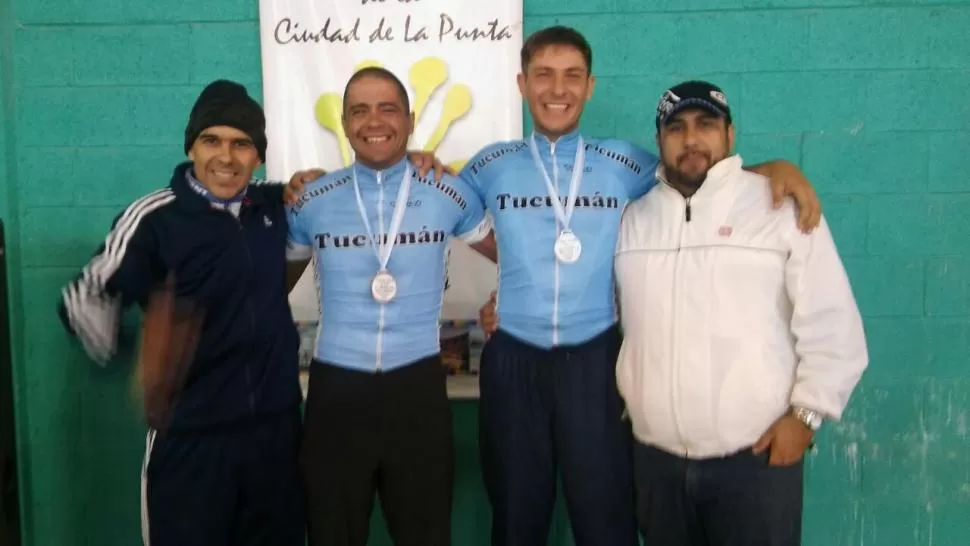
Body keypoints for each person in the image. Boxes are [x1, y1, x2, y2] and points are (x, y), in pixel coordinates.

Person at [462, 26, 822, 546]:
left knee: (605, 516)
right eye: (543, 75)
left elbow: (703, 175)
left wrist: (776, 168)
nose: (556, 89)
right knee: (516, 518)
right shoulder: (488, 165)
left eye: (572, 77)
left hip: (595, 358)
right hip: (513, 357)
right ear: (522, 83)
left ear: (590, 86)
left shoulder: (624, 162)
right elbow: (438, 200)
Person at [56, 79, 446, 546]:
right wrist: (133, 352)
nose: (226, 157)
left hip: (275, 435)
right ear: (191, 147)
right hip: (192, 438)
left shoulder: (274, 203)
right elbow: (81, 300)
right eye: (212, 141)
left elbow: (324, 188)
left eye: (241, 144)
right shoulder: (154, 218)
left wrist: (421, 161)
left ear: (257, 154)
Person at [613, 80, 868, 545]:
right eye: (677, 128)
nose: (691, 139)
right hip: (656, 466)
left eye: (706, 125)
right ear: (659, 141)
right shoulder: (633, 219)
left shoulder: (778, 208)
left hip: (755, 465)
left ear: (730, 135)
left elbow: (833, 323)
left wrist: (806, 417)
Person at [285, 67, 497, 546]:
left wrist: (510, 302)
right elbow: (268, 286)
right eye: (359, 110)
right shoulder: (309, 199)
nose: (373, 120)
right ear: (344, 122)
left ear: (410, 118)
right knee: (331, 535)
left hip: (416, 389)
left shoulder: (448, 189)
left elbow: (517, 255)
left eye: (387, 108)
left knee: (424, 535)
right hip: (335, 393)